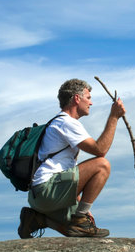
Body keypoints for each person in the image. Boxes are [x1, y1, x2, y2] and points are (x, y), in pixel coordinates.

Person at [18, 78, 126, 238]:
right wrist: (114, 117)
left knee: (75, 231)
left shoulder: (57, 122)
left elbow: (64, 171)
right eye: (88, 98)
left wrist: (83, 208)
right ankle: (79, 219)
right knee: (102, 165)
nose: (91, 103)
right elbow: (100, 150)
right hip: (47, 191)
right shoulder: (66, 123)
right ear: (77, 98)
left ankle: (37, 219)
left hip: (39, 196)